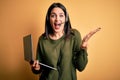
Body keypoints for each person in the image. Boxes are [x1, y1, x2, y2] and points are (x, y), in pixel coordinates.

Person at [30, 2, 101, 80]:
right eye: (53, 16)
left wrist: (83, 46)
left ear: (66, 19)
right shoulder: (42, 40)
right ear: (48, 19)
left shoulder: (74, 35)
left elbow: (81, 67)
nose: (57, 19)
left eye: (61, 15)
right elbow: (38, 68)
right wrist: (36, 68)